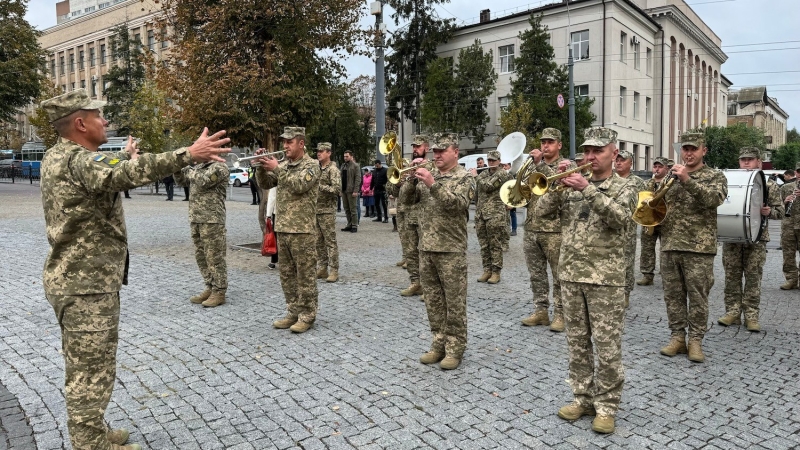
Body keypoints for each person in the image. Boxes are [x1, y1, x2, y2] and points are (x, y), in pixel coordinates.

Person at [39, 89, 230, 450]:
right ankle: (90, 444)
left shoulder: (60, 156)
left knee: (85, 363)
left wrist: (124, 158)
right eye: (99, 116)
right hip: (86, 286)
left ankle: (92, 431)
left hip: (76, 280)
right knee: (90, 372)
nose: (105, 121)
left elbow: (111, 170)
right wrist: (188, 154)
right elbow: (124, 173)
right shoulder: (78, 160)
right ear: (80, 123)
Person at [536, 126, 637, 434]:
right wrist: (557, 184)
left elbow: (620, 219)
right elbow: (540, 212)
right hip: (571, 275)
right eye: (587, 151)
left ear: (613, 153)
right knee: (577, 344)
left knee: (606, 347)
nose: (590, 157)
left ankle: (607, 406)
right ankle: (582, 398)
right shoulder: (571, 184)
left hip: (605, 280)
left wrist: (587, 189)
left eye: (598, 151)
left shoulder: (627, 186)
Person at [403, 133, 475, 370]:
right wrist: (411, 180)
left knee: (454, 303)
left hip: (451, 249)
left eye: (443, 151)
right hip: (426, 247)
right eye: (435, 151)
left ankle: (455, 348)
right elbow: (403, 199)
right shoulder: (426, 173)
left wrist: (432, 184)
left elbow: (458, 205)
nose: (437, 155)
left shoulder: (464, 178)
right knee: (433, 302)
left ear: (456, 151)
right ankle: (438, 343)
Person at [658, 131, 727, 363]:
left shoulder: (715, 176)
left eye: (692, 149)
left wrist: (687, 179)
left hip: (699, 247)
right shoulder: (671, 175)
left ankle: (696, 340)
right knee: (673, 296)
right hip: (670, 244)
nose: (688, 153)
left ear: (703, 151)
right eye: (685, 149)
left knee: (698, 297)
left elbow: (713, 200)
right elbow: (657, 204)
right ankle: (677, 337)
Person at [254, 127, 320, 333]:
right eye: (284, 142)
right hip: (283, 228)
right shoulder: (284, 165)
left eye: (289, 142)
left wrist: (276, 168)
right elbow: (265, 183)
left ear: (301, 143)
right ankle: (293, 311)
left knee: (305, 276)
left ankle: (307, 315)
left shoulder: (312, 165)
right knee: (287, 275)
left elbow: (299, 185)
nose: (285, 146)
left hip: (302, 231)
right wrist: (261, 166)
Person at [719, 147, 784, 331]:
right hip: (732, 237)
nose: (746, 163)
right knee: (731, 276)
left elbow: (780, 212)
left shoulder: (768, 185)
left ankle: (751, 315)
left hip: (757, 238)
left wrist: (769, 211)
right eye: (743, 160)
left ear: (759, 162)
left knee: (753, 277)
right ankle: (732, 312)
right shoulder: (729, 180)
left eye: (750, 159)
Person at [521, 128, 571, 332]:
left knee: (559, 275)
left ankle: (561, 314)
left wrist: (540, 164)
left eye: (550, 142)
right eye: (543, 142)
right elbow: (524, 190)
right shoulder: (533, 167)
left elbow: (555, 185)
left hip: (555, 230)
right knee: (536, 274)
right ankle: (541, 311)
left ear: (559, 144)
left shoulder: (566, 166)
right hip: (532, 227)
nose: (545, 145)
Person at [174, 159, 230, 308]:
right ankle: (210, 286)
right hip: (196, 218)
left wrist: (187, 168)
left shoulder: (220, 167)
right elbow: (181, 182)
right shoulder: (198, 167)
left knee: (214, 256)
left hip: (212, 219)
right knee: (201, 255)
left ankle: (219, 291)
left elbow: (204, 181)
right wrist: (176, 168)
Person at [396, 135, 431, 297]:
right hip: (408, 216)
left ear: (427, 148)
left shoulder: (433, 167)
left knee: (426, 254)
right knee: (410, 252)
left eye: (419, 146)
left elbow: (430, 191)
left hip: (426, 217)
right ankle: (415, 282)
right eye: (414, 147)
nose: (415, 150)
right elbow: (396, 193)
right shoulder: (407, 167)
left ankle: (428, 287)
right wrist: (404, 178)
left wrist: (424, 171)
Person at [471, 150, 512, 284]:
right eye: (489, 160)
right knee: (484, 245)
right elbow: (477, 192)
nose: (491, 163)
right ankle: (487, 270)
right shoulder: (484, 173)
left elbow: (488, 187)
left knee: (495, 244)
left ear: (499, 161)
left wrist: (475, 177)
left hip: (495, 214)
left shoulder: (502, 174)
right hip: (481, 214)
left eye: (494, 160)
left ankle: (496, 272)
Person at [614, 150, 646, 307]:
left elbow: (646, 203)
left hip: (629, 228)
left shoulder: (638, 182)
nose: (618, 162)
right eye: (617, 160)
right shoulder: (609, 179)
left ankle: (625, 293)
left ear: (630, 163)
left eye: (623, 160)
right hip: (611, 226)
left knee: (627, 261)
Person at [636, 157, 671, 285]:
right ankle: (647, 275)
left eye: (660, 167)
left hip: (666, 220)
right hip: (649, 219)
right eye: (655, 166)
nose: (657, 169)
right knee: (646, 248)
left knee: (666, 249)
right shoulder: (647, 183)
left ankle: (667, 275)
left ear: (666, 168)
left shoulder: (670, 183)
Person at [315, 142, 341, 283]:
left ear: (329, 153)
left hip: (327, 211)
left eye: (322, 151)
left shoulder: (333, 170)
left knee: (330, 242)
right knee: (318, 242)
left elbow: (337, 189)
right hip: (316, 210)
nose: (319, 153)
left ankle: (334, 270)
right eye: (318, 151)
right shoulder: (318, 168)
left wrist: (320, 186)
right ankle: (322, 268)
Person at [779, 163, 800, 289]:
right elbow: (776, 208)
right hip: (789, 226)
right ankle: (791, 279)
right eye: (799, 171)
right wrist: (785, 202)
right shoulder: (786, 187)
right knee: (788, 254)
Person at [340, 150, 361, 233]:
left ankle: (354, 225)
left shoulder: (355, 166)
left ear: (351, 156)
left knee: (353, 209)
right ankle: (349, 224)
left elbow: (358, 179)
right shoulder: (343, 166)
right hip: (344, 190)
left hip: (351, 190)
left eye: (347, 156)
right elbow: (340, 178)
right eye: (344, 156)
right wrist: (340, 189)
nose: (345, 158)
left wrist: (356, 190)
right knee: (346, 209)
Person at [265, 187, 278, 270]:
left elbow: (272, 196)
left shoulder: (276, 177)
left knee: (276, 237)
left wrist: (268, 214)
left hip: (278, 212)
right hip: (292, 213)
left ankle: (273, 260)